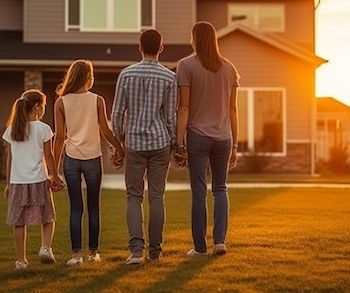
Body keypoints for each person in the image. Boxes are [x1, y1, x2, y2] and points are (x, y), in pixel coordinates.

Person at [111, 29, 178, 264]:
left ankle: (136, 252)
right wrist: (176, 146)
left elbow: (117, 114)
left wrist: (118, 146)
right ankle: (155, 253)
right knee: (157, 197)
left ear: (139, 47)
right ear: (161, 47)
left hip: (135, 144)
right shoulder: (169, 77)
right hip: (160, 143)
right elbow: (171, 117)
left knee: (133, 196)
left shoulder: (126, 75)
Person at [175, 21, 240, 257]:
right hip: (224, 137)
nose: (190, 40)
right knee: (221, 189)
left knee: (199, 192)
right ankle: (220, 242)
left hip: (198, 137)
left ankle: (200, 248)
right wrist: (234, 145)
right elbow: (233, 110)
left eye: (192, 37)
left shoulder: (185, 66)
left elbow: (184, 107)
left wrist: (178, 143)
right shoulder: (229, 69)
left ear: (196, 39)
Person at [53, 59, 124, 266]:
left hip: (71, 160)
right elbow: (105, 130)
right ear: (87, 78)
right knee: (93, 207)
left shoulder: (61, 102)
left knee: (76, 208)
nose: (93, 78)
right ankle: (93, 254)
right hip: (93, 158)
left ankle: (76, 256)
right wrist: (120, 148)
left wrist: (54, 171)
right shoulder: (97, 100)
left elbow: (59, 138)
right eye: (92, 75)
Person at [3, 89, 63, 270]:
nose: (44, 108)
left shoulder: (12, 129)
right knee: (48, 217)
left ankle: (21, 261)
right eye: (44, 105)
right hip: (38, 179)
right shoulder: (44, 129)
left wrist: (7, 183)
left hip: (17, 181)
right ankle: (45, 248)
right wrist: (54, 176)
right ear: (37, 107)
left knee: (19, 221)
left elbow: (9, 158)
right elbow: (49, 155)